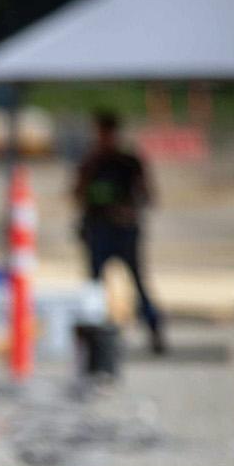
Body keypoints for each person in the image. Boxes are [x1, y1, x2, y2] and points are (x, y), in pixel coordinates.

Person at [74, 110, 165, 352]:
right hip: (98, 231)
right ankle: (95, 343)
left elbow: (148, 194)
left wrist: (128, 211)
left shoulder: (128, 162)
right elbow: (78, 193)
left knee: (137, 283)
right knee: (94, 289)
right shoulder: (91, 161)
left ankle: (154, 329)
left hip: (124, 231)